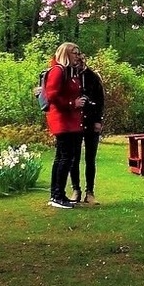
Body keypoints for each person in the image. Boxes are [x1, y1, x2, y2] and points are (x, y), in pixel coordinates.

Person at [44, 42, 87, 209]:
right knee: (65, 158)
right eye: (74, 53)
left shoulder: (71, 72)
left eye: (78, 52)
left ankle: (57, 194)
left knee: (63, 158)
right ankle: (57, 196)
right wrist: (72, 103)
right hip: (63, 121)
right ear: (66, 54)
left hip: (72, 121)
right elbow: (52, 96)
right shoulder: (58, 71)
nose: (78, 55)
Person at [65, 49, 105, 205]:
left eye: (80, 61)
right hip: (75, 121)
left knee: (90, 158)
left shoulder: (93, 78)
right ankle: (76, 189)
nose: (78, 64)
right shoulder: (69, 76)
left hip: (91, 121)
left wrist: (98, 121)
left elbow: (100, 100)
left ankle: (90, 191)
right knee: (74, 157)